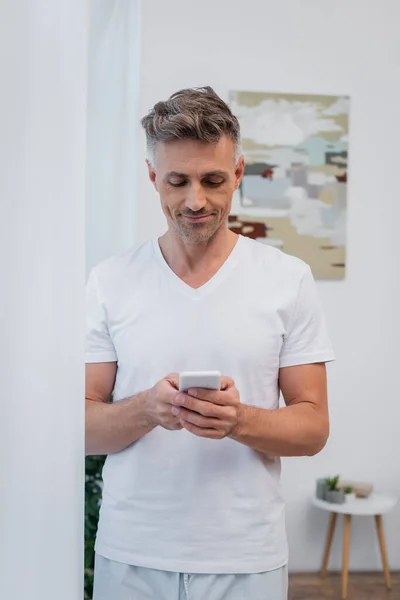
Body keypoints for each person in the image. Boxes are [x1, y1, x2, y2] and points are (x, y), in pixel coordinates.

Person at [86, 86, 335, 600]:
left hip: (247, 559)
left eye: (214, 180)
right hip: (132, 554)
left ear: (239, 173)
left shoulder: (288, 279)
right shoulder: (109, 281)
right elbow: (80, 432)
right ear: (153, 177)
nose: (196, 201)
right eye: (177, 181)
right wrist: (147, 409)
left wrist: (239, 420)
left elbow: (313, 428)